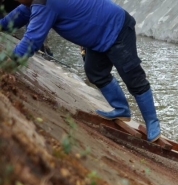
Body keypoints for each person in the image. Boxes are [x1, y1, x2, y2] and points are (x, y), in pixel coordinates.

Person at [0, 0, 161, 142]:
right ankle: (122, 109)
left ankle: (152, 122)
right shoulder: (33, 4)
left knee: (132, 76)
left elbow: (30, 42)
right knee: (95, 72)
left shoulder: (45, 4)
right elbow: (10, 22)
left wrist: (6, 66)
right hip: (97, 36)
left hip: (116, 27)